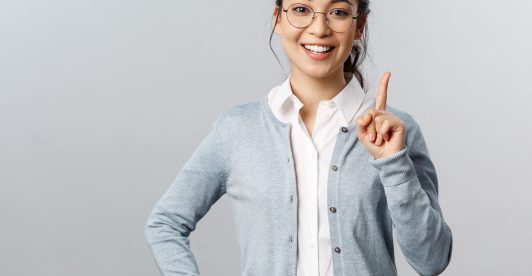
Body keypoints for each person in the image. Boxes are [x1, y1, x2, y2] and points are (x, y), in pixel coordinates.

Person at [144, 0, 453, 275]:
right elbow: (165, 224)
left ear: (359, 25)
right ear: (278, 19)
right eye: (301, 10)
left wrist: (393, 164)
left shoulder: (396, 131)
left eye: (338, 12)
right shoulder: (237, 129)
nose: (319, 28)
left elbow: (432, 261)